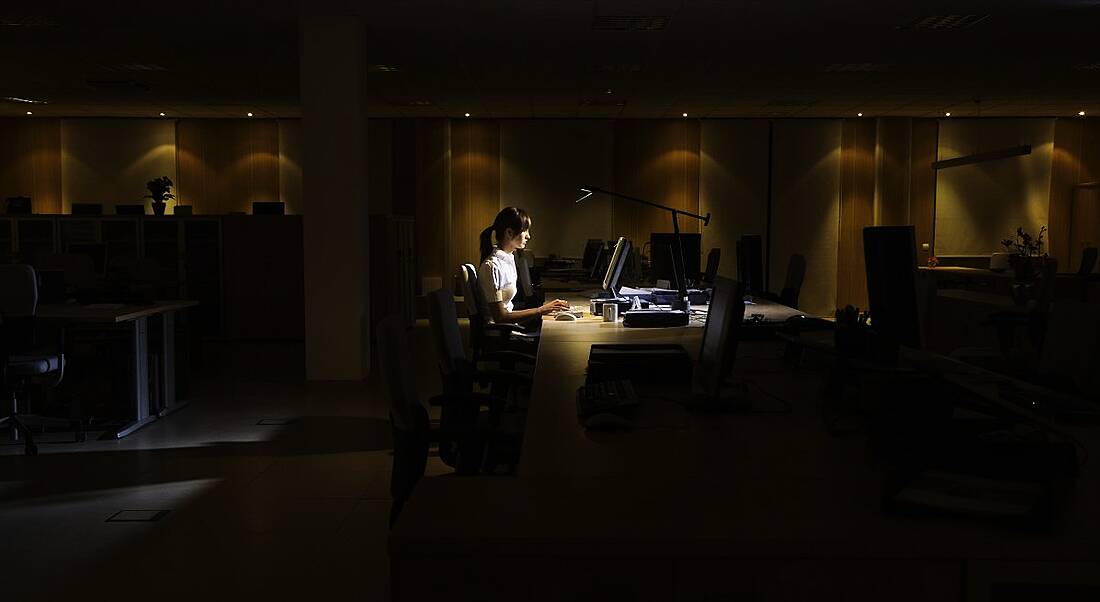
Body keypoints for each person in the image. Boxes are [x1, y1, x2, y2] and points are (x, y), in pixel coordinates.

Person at [478, 207, 569, 324]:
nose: (528, 236)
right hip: (501, 333)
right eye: (525, 230)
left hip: (508, 328)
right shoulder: (492, 266)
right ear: (509, 233)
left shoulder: (508, 258)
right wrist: (541, 310)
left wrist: (543, 310)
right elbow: (500, 317)